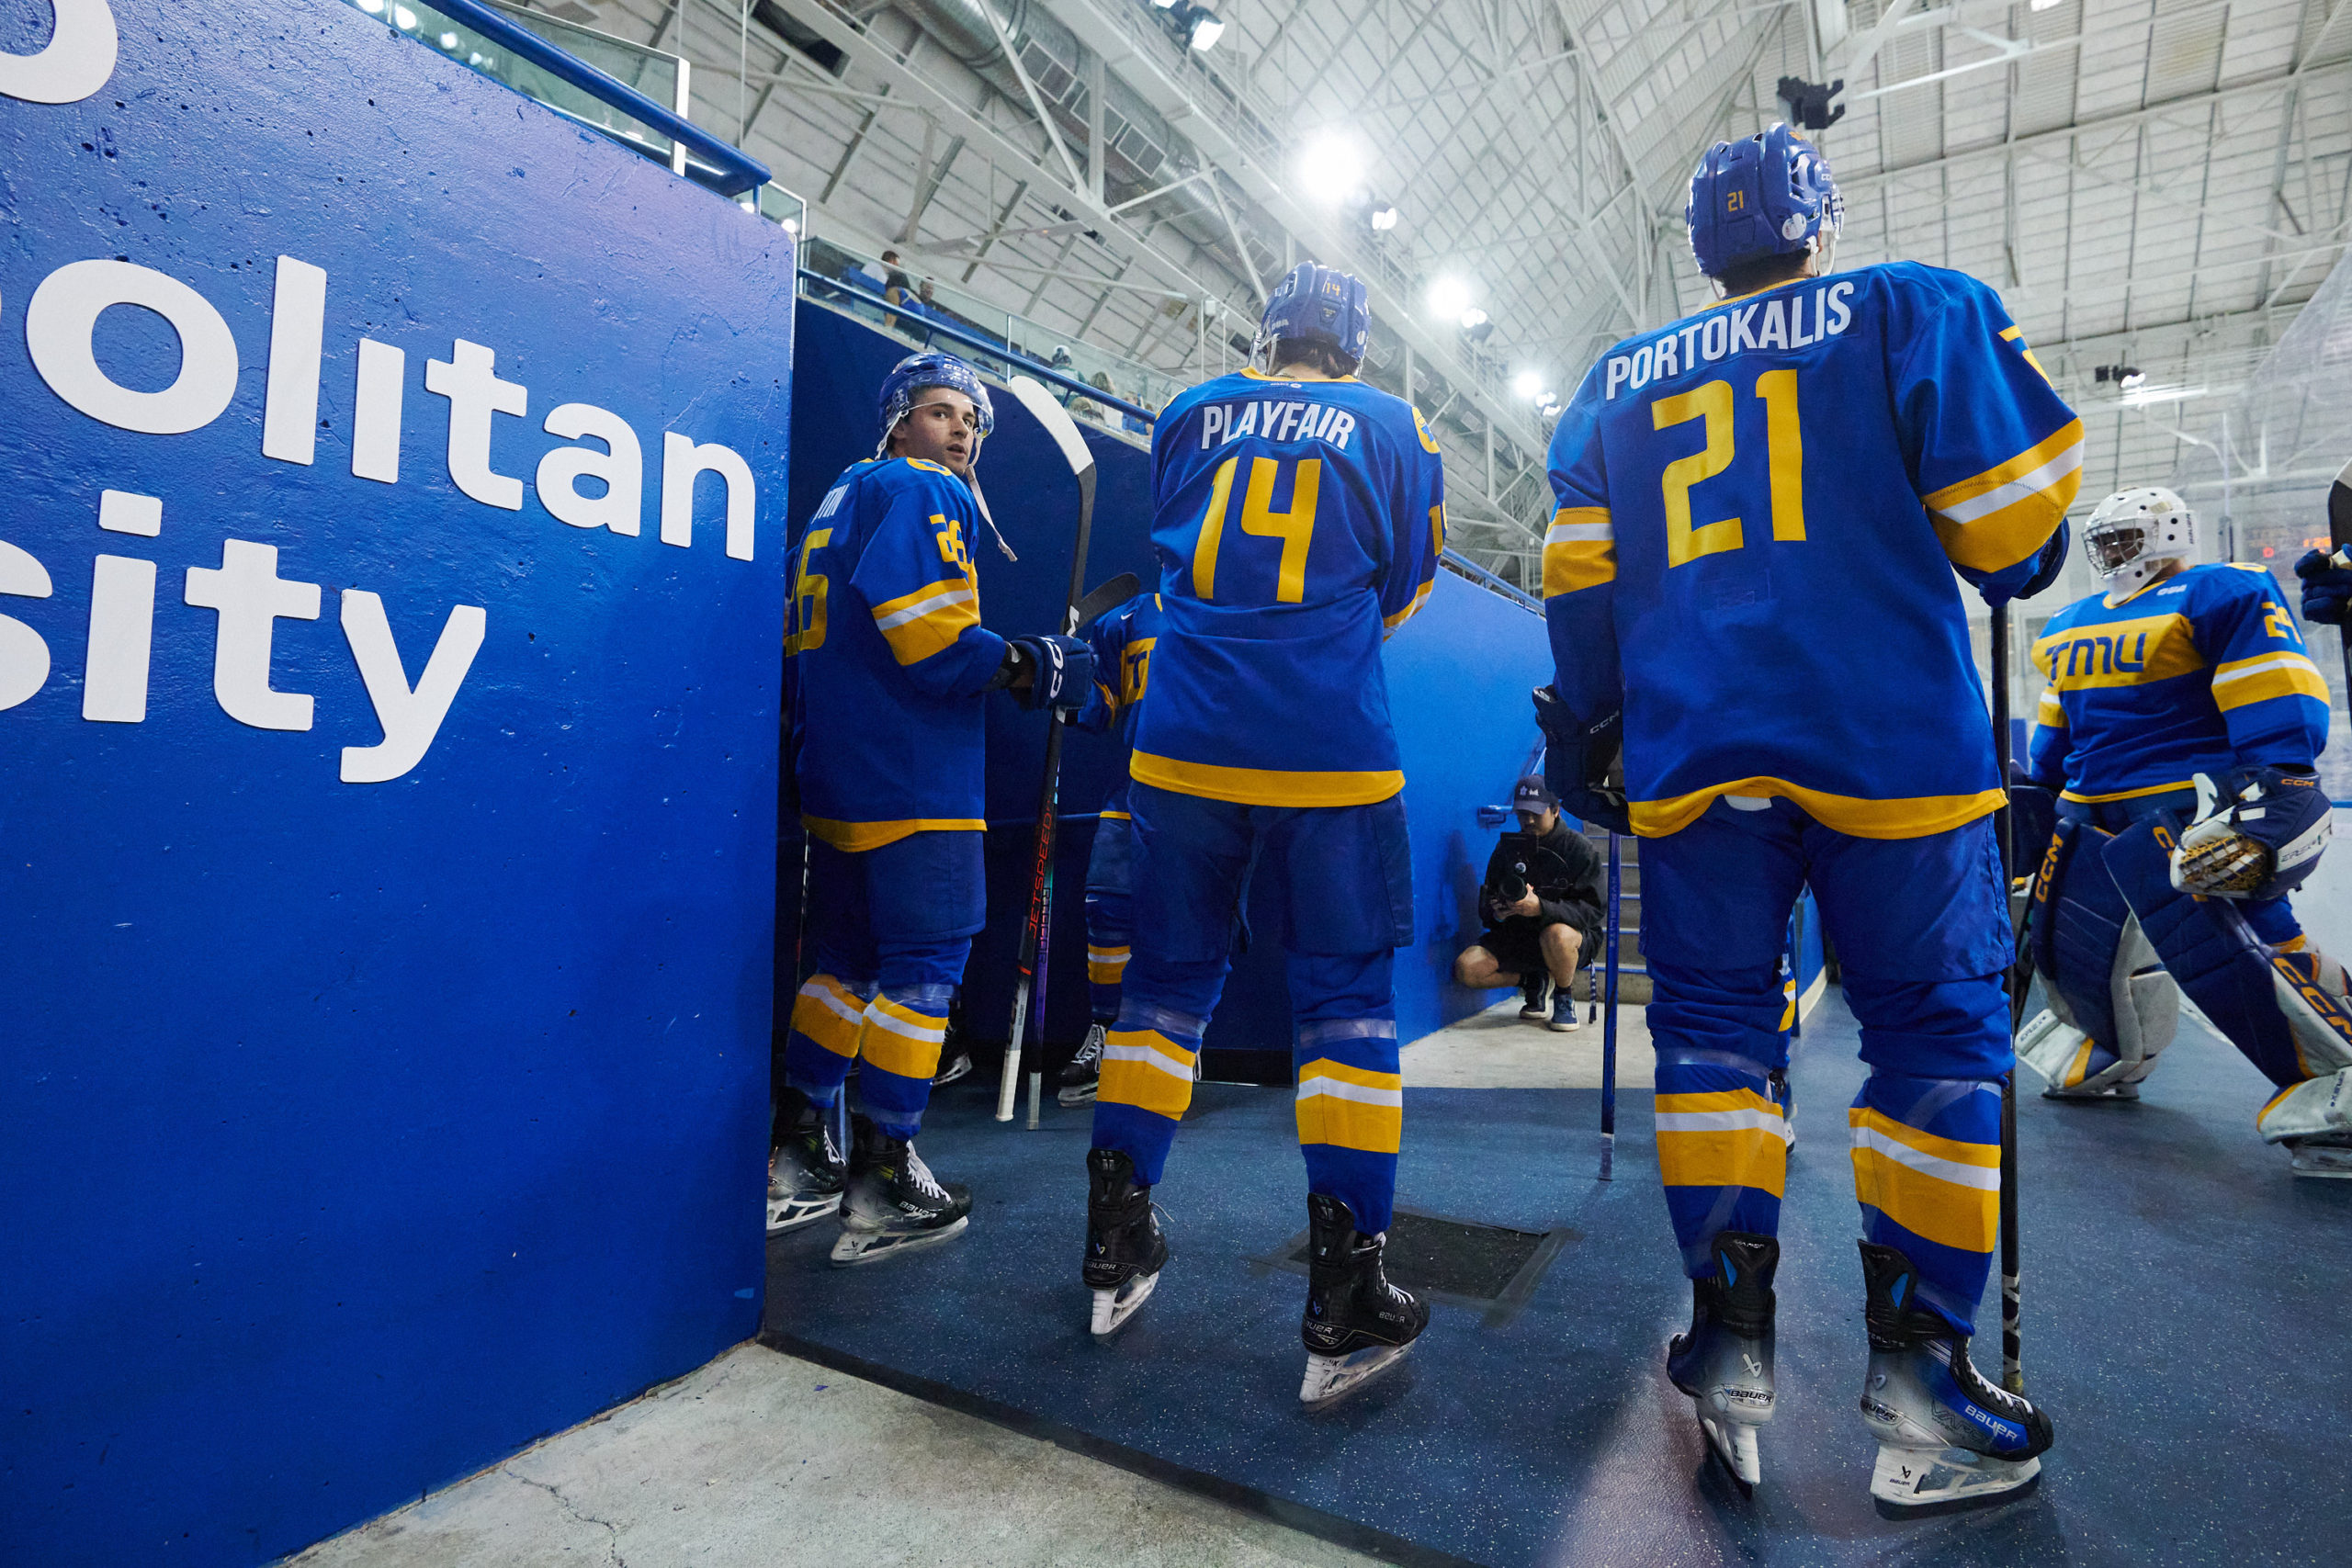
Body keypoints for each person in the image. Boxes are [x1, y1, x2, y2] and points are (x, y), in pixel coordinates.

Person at [1536, 124, 2074, 1506]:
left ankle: (1726, 1338)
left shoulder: (1615, 380)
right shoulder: (1914, 304)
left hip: (1695, 756)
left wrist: (1599, 717)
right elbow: (2016, 536)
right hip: (1889, 743)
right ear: (1816, 218)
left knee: (1715, 1038)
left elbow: (1580, 582)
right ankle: (1923, 1377)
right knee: (1935, 1041)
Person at [1080, 263, 1446, 1409]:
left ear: (1270, 328)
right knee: (1344, 1007)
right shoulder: (1390, 420)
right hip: (1326, 743)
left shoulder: (1189, 409)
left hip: (1180, 743)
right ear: (1353, 342)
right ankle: (1345, 1299)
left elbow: (1178, 547)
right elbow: (1408, 586)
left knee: (1159, 995)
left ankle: (1112, 1239)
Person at [771, 352, 1093, 1265]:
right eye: (944, 412)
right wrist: (1031, 664)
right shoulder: (924, 491)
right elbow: (932, 639)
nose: (960, 432)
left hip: (838, 776)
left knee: (843, 967)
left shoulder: (839, 499)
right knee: (923, 969)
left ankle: (796, 1156)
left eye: (970, 422)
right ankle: (885, 1178)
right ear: (899, 419)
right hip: (915, 778)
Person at [2008, 486, 2344, 1175]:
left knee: (2240, 953)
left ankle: (2335, 1074)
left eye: (2126, 536)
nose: (2110, 552)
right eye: (2103, 540)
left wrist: (2279, 781)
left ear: (2168, 531)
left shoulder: (2223, 590)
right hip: (2084, 805)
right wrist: (2035, 796)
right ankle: (2104, 1057)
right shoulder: (2067, 619)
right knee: (2072, 955)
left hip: (2185, 807)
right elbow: (2056, 729)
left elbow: (2272, 688)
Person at [1058, 588, 1164, 1106]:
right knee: (1105, 906)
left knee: (1192, 923)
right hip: (1135, 787)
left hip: (1208, 796)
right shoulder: (1130, 617)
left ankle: (1176, 1043)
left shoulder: (1235, 611)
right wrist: (1064, 667)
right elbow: (1099, 707)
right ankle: (1107, 1031)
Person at [1451, 776, 1604, 1031]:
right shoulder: (1507, 848)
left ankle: (1564, 996)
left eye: (1535, 813)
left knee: (1556, 934)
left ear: (1555, 810)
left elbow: (1592, 910)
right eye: (1522, 814)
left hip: (1568, 938)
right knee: (1467, 968)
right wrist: (1498, 913)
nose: (1528, 820)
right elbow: (1487, 904)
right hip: (1518, 935)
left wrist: (1542, 908)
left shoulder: (1580, 849)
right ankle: (1533, 980)